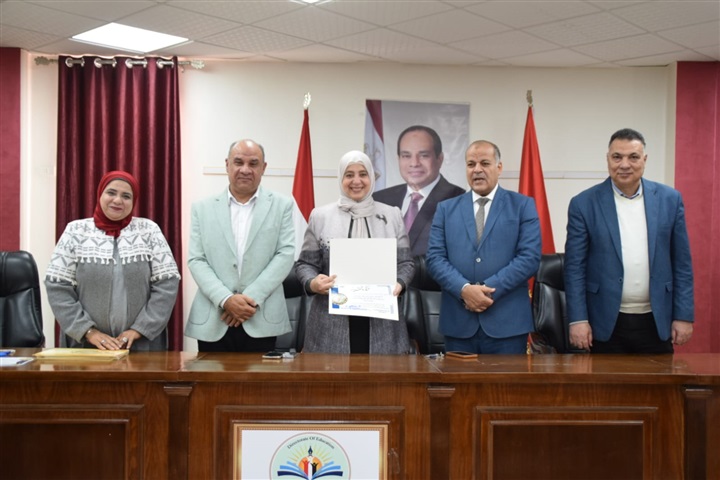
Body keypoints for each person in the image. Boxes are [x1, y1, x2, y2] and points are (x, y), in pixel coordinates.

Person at [564, 128, 694, 353]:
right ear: (607, 159)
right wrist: (578, 319)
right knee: (606, 378)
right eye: (617, 157)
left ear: (644, 160)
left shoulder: (670, 200)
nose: (624, 164)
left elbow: (682, 263)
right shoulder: (584, 203)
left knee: (659, 378)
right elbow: (574, 267)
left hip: (656, 320)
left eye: (633, 157)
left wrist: (683, 315)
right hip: (604, 321)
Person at [426, 140, 541, 354]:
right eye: (471, 164)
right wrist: (464, 290)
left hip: (507, 325)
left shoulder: (522, 206)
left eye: (485, 163)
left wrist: (487, 291)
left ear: (499, 167)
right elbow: (434, 259)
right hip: (459, 325)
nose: (477, 170)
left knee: (506, 379)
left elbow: (529, 258)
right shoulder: (445, 209)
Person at [295, 150, 415, 354]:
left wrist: (400, 283)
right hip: (330, 326)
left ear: (372, 178)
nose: (356, 181)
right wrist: (313, 283)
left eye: (363, 174)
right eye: (349, 175)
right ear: (340, 178)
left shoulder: (392, 215)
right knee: (331, 375)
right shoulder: (321, 216)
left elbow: (406, 263)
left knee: (384, 375)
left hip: (383, 323)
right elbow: (305, 264)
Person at [46, 170, 180, 351]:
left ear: (133, 201)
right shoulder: (76, 231)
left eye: (126, 196)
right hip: (85, 346)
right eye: (111, 192)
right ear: (100, 194)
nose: (118, 200)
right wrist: (88, 331)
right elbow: (58, 287)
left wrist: (139, 330)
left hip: (141, 345)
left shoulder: (149, 230)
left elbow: (167, 285)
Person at [186, 139, 295, 352]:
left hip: (260, 316)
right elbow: (196, 259)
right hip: (215, 317)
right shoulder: (202, 208)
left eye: (253, 164)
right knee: (209, 375)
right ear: (227, 165)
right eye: (238, 162)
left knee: (261, 376)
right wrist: (226, 299)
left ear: (263, 168)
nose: (245, 169)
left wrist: (248, 301)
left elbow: (285, 254)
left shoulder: (282, 205)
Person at [373, 125, 465, 256]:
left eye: (424, 155)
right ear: (398, 159)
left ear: (439, 159)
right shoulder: (379, 199)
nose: (414, 163)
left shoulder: (460, 201)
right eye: (406, 156)